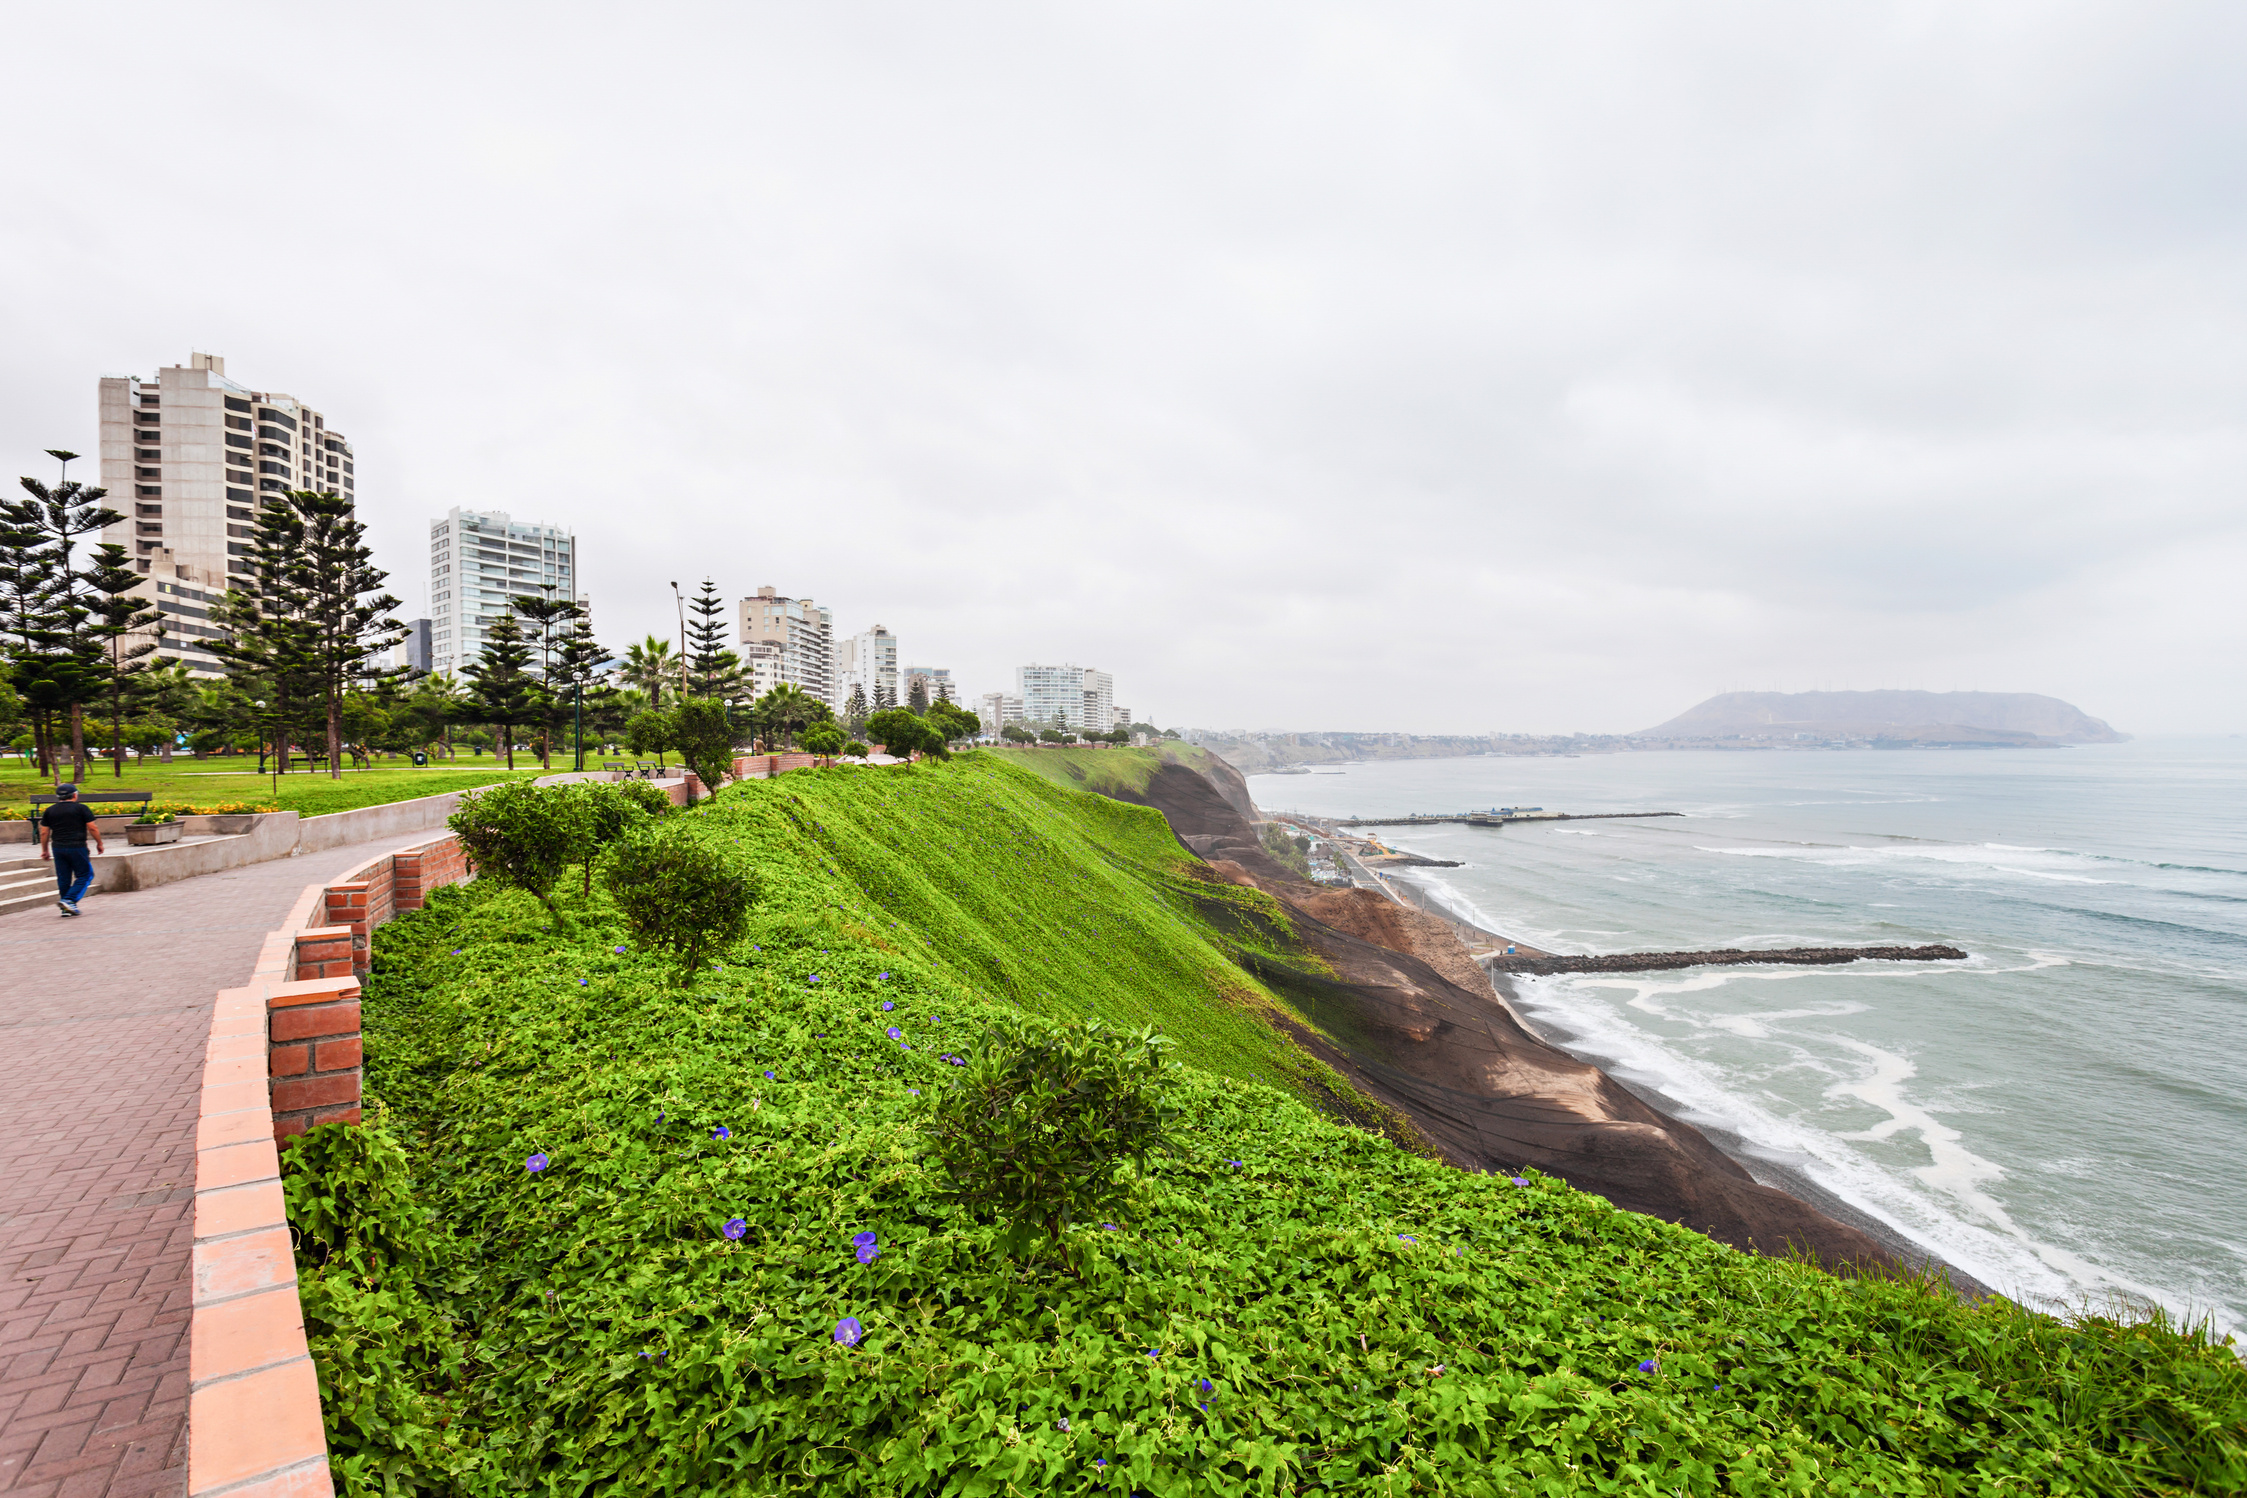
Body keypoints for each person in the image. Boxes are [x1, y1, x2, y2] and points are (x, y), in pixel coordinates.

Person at [39, 783, 104, 917]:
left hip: (58, 847)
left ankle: (66, 909)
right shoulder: (81, 808)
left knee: (64, 878)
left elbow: (44, 832)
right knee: (85, 875)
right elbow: (92, 828)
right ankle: (69, 900)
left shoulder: (50, 810)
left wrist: (45, 850)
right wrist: (99, 843)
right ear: (75, 795)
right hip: (77, 846)